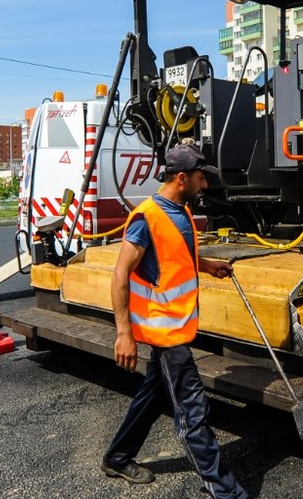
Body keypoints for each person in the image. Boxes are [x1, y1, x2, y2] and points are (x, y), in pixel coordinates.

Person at [102, 143, 249, 499]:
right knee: (192, 411)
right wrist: (124, 334)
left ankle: (118, 458)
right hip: (163, 330)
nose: (205, 185)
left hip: (177, 326)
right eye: (201, 178)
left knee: (153, 395)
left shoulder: (179, 210)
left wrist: (207, 265)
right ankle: (225, 490)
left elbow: (174, 258)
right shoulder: (147, 217)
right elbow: (120, 273)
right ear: (181, 178)